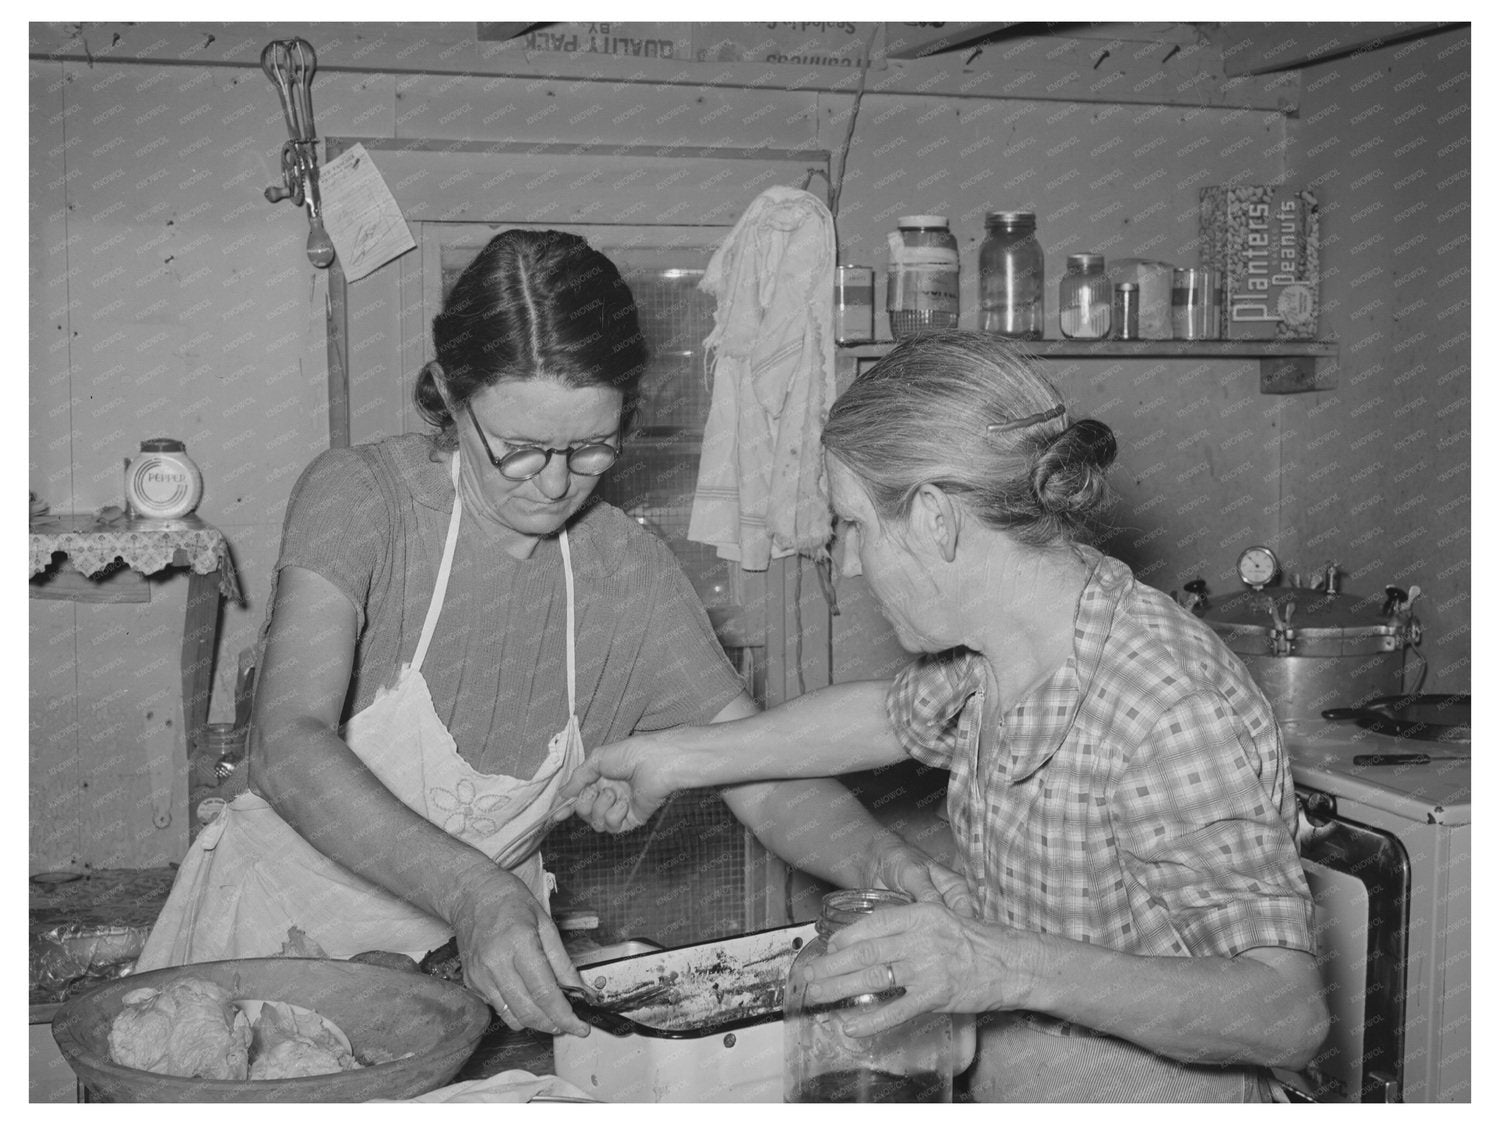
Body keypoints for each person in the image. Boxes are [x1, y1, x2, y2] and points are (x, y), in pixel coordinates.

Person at [137, 229, 967, 1039]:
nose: (556, 483)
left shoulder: (627, 572)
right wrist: (476, 891)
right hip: (264, 963)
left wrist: (882, 863)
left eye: (592, 448)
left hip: (463, 983)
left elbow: (760, 771)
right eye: (520, 449)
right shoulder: (363, 502)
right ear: (449, 392)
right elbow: (287, 743)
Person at [562, 331, 1330, 1100]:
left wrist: (998, 964)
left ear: (934, 516)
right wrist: (672, 759)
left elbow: (1284, 1011)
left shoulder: (1163, 702)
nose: (853, 562)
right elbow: (881, 719)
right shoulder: (999, 646)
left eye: (855, 526)